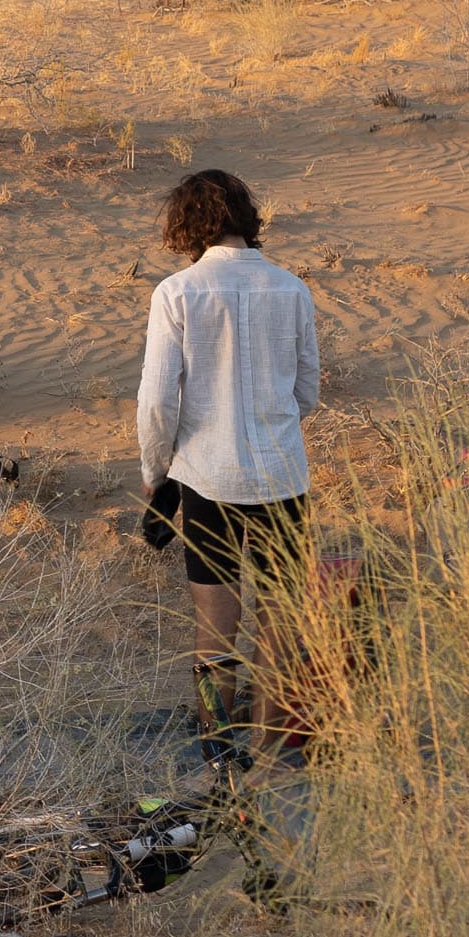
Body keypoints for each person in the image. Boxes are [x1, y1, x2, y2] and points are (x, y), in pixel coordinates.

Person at [136, 169, 318, 751]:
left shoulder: (178, 292)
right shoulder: (292, 289)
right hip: (282, 477)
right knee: (282, 615)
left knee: (216, 617)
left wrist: (153, 473)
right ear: (247, 217)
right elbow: (308, 393)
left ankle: (216, 740)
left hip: (205, 478)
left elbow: (157, 400)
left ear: (185, 226)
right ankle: (271, 741)